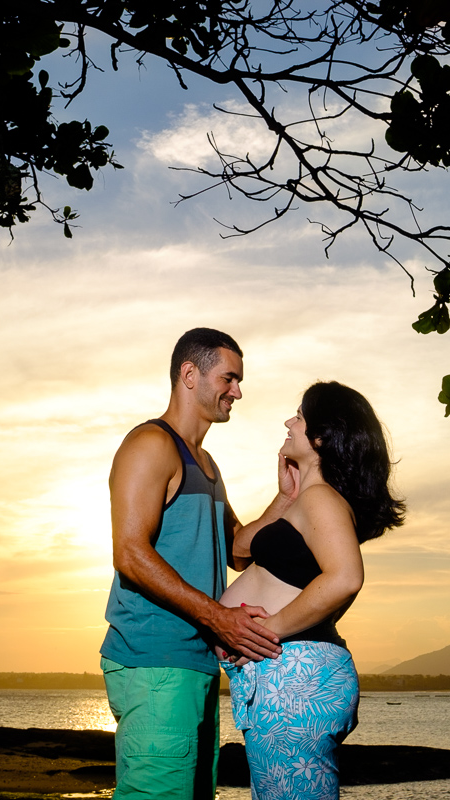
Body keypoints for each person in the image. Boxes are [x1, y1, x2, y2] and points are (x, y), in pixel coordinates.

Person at [100, 327, 291, 800]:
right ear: (190, 374)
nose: (238, 391)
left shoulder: (206, 463)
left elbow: (237, 549)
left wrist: (285, 499)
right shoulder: (150, 444)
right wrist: (217, 617)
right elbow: (129, 553)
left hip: (196, 662)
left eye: (239, 381)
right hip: (154, 660)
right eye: (229, 378)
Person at [220, 381, 405, 800]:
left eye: (300, 416)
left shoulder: (322, 499)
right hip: (286, 676)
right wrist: (286, 496)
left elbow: (344, 578)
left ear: (321, 436)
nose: (289, 421)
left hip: (293, 678)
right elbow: (239, 550)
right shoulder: (310, 500)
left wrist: (264, 630)